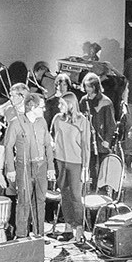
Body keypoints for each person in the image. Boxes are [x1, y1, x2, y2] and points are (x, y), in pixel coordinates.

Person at [4, 93, 54, 239]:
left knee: (40, 201)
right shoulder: (16, 123)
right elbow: (8, 146)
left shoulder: (42, 122)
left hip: (41, 166)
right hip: (24, 166)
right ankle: (21, 235)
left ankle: (39, 234)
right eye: (41, 107)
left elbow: (48, 145)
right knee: (24, 201)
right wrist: (10, 169)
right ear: (32, 107)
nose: (44, 110)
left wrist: (50, 167)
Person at [51, 92, 92, 244]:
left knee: (76, 195)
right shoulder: (57, 118)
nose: (59, 106)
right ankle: (68, 227)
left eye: (62, 104)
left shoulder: (82, 121)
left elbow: (86, 146)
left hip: (76, 162)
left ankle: (79, 228)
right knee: (64, 194)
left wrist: (85, 168)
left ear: (70, 105)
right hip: (60, 161)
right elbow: (52, 136)